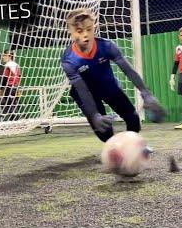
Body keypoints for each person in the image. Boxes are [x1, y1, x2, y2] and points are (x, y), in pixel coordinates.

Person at [60, 8, 165, 145]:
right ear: (71, 33)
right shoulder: (69, 60)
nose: (85, 35)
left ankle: (130, 148)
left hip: (108, 86)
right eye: (79, 31)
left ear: (94, 28)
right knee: (105, 133)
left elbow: (128, 70)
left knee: (134, 121)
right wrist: (94, 115)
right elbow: (82, 89)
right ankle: (115, 149)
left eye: (89, 29)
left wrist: (145, 92)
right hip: (86, 93)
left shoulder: (107, 46)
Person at [0, 50, 21, 120]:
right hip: (16, 87)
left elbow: (5, 78)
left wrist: (1, 89)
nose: (3, 57)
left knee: (9, 104)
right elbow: (19, 76)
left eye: (4, 55)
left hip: (9, 87)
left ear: (9, 56)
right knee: (13, 104)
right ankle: (14, 119)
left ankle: (14, 120)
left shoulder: (7, 65)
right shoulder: (16, 65)